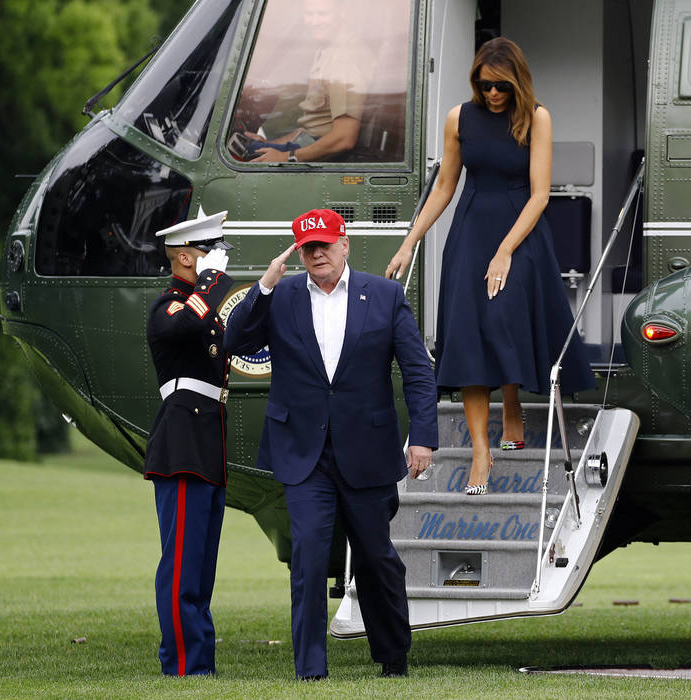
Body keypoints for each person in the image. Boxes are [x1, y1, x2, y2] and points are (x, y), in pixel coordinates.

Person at [224, 208, 437, 680]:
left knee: (376, 557)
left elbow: (419, 372)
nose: (317, 252)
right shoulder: (279, 297)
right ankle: (310, 669)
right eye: (307, 247)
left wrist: (423, 437)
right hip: (304, 453)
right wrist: (262, 287)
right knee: (309, 555)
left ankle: (392, 656)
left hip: (368, 449)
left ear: (345, 244)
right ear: (298, 252)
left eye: (324, 243)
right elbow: (234, 342)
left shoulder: (384, 295)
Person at [384, 37, 595, 495]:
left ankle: (513, 400)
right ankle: (482, 451)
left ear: (515, 81)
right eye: (484, 85)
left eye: (500, 86)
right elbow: (444, 186)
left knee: (503, 320)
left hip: (521, 232)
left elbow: (541, 194)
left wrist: (505, 251)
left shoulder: (537, 116)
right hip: (470, 232)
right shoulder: (459, 117)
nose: (493, 94)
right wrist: (409, 241)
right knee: (467, 335)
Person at [144, 209, 235, 676]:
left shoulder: (202, 311)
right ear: (185, 256)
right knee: (181, 567)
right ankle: (183, 664)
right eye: (206, 249)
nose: (214, 257)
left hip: (206, 446)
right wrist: (210, 281)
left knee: (200, 568)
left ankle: (199, 660)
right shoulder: (169, 307)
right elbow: (185, 326)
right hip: (182, 445)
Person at [246, 0, 371, 163]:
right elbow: (311, 127)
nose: (315, 21)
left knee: (244, 154)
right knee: (253, 147)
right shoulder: (327, 49)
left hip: (324, 155)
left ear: (341, 13)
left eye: (323, 14)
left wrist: (286, 157)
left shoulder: (343, 59)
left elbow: (344, 137)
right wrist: (269, 144)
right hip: (310, 142)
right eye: (309, 14)